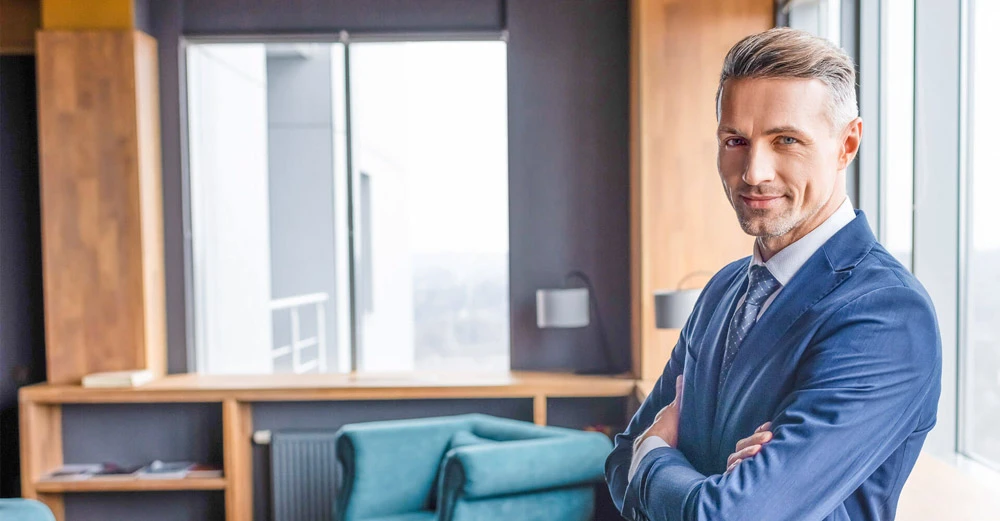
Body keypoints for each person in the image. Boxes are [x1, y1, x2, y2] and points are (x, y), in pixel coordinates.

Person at [605, 27, 942, 521]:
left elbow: (731, 514)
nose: (754, 171)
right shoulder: (723, 288)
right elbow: (618, 463)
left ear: (847, 144)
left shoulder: (887, 314)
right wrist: (711, 482)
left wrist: (655, 456)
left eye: (786, 140)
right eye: (735, 140)